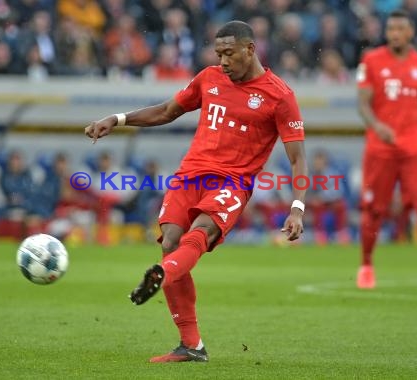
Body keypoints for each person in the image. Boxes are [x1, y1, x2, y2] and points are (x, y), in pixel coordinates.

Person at [85, 20, 307, 363]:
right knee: (171, 241)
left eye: (229, 53)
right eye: (218, 54)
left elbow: (297, 158)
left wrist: (296, 208)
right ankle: (191, 346)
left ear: (250, 50)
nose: (223, 61)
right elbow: (166, 111)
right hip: (189, 176)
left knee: (201, 231)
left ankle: (162, 274)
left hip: (232, 183)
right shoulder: (209, 79)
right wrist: (118, 119)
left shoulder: (279, 96)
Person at [356, 10, 417, 289]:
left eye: (399, 29)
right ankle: (367, 265)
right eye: (390, 29)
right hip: (380, 148)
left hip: (414, 148)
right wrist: (376, 125)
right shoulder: (371, 60)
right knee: (374, 209)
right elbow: (362, 103)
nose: (394, 33)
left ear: (410, 33)